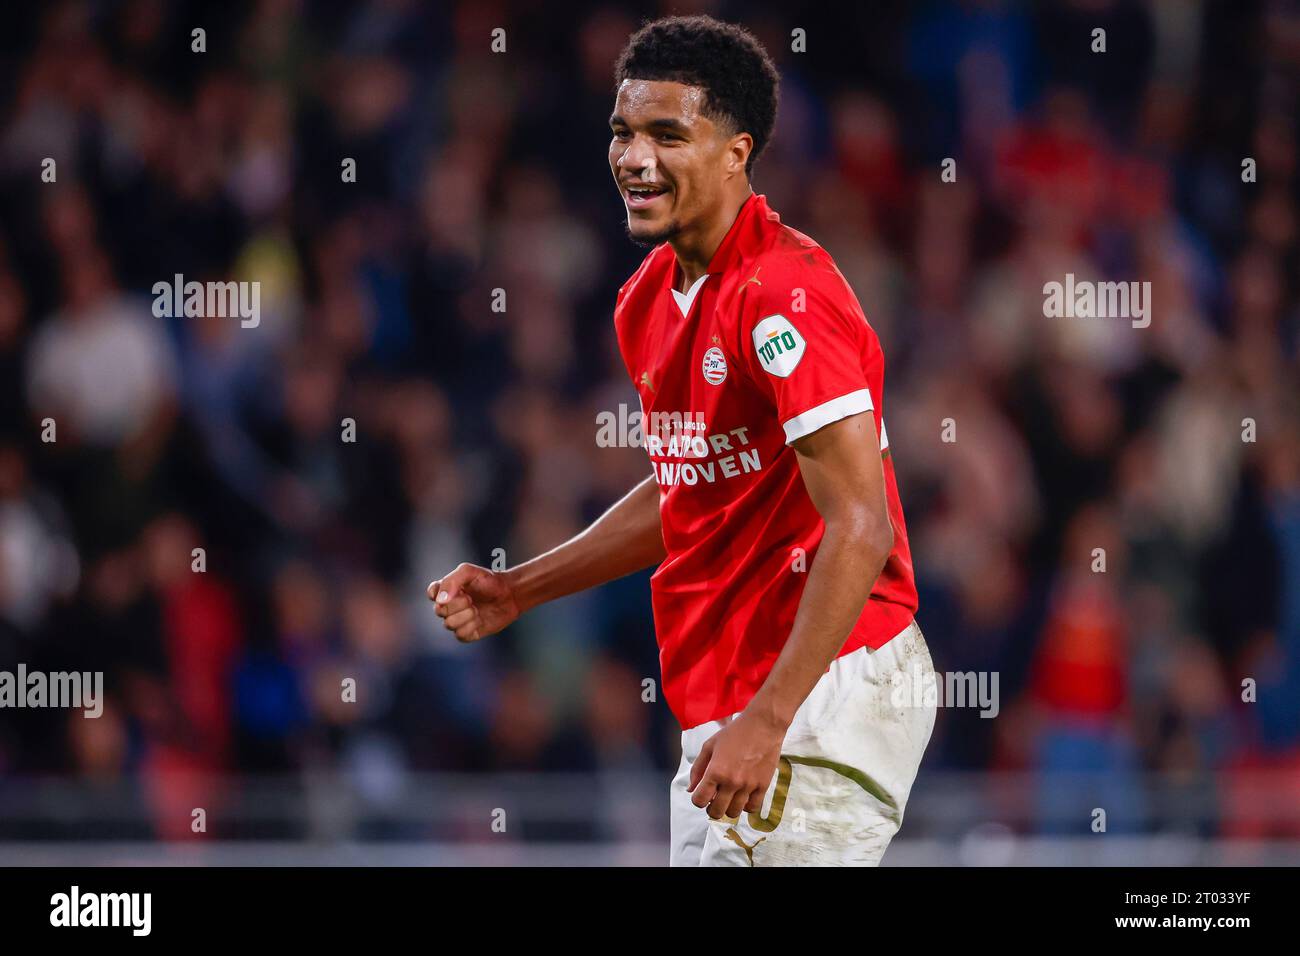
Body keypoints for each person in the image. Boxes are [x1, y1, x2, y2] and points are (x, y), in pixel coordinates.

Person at [429, 14, 935, 866]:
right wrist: (522, 587)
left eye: (669, 134)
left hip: (823, 685)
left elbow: (861, 524)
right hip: (734, 698)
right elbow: (689, 491)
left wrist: (769, 720)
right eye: (624, 132)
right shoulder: (645, 302)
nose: (635, 158)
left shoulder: (782, 294)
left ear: (736, 152)